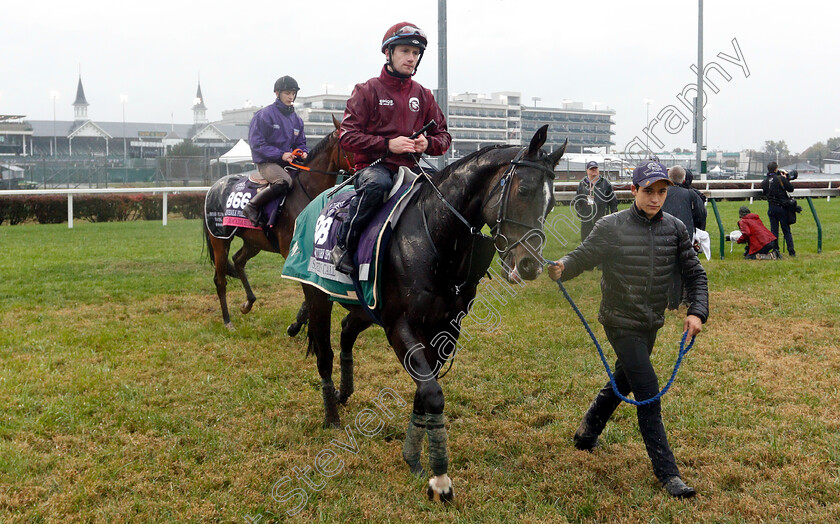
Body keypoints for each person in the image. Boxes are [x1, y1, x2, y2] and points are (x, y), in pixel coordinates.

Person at [547, 158, 709, 499]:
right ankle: (668, 474)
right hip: (619, 322)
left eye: (662, 192)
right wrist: (563, 266)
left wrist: (697, 312)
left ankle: (587, 431)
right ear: (633, 189)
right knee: (647, 389)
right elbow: (583, 256)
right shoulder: (611, 226)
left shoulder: (676, 229)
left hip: (651, 321)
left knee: (625, 378)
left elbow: (695, 274)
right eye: (648, 191)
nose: (655, 198)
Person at [330, 22, 451, 274]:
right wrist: (388, 144)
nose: (411, 58)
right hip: (375, 169)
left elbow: (444, 138)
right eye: (405, 51)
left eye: (416, 53)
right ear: (388, 53)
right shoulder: (366, 90)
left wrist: (427, 143)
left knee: (448, 190)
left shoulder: (425, 95)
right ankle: (343, 245)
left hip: (413, 168)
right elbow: (347, 137)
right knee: (377, 185)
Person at [242, 76, 309, 226]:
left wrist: (304, 152)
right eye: (287, 93)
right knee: (284, 181)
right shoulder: (264, 115)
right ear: (277, 93)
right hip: (267, 163)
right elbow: (257, 144)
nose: (291, 97)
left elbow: (301, 143)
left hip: (288, 163)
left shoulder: (297, 120)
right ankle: (251, 206)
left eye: (293, 93)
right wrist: (281, 154)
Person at [662, 165, 707, 309]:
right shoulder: (691, 194)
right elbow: (701, 214)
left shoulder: (662, 193)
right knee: (685, 267)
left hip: (663, 233)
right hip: (684, 234)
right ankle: (684, 298)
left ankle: (669, 301)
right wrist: (697, 230)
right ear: (684, 179)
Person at [574, 161, 617, 243]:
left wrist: (614, 213)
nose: (594, 171)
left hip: (602, 218)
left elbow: (612, 200)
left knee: (601, 240)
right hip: (586, 219)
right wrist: (580, 213)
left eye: (595, 169)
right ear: (587, 171)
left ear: (598, 170)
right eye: (591, 169)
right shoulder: (582, 184)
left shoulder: (605, 183)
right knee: (586, 241)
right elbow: (577, 199)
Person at [760, 161, 795, 256]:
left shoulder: (764, 182)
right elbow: (791, 189)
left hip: (771, 208)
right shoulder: (780, 179)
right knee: (786, 230)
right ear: (776, 169)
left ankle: (776, 251)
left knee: (774, 231)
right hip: (782, 208)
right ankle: (791, 251)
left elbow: (765, 192)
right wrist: (785, 179)